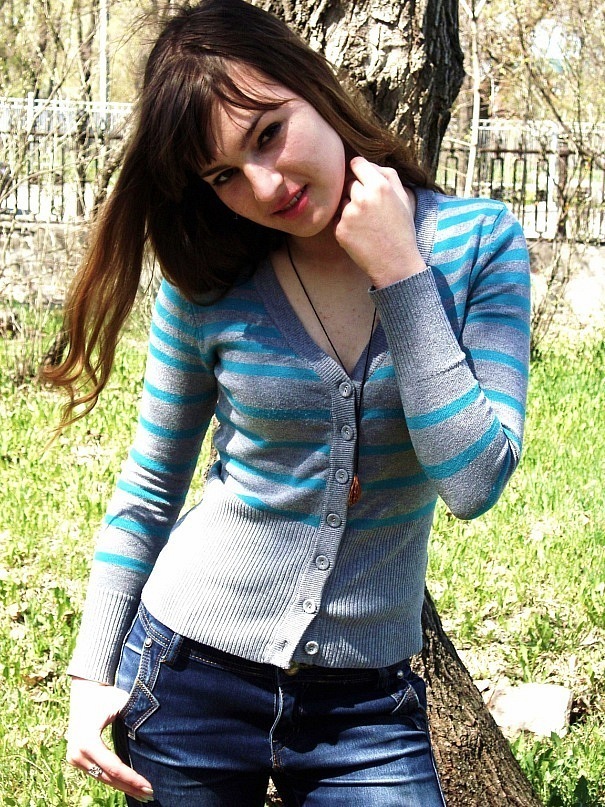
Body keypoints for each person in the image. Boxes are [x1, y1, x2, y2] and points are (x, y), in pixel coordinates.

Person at [45, 1, 531, 804]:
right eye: (223, 175)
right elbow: (152, 485)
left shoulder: (478, 244)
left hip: (367, 707)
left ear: (313, 87)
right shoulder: (212, 279)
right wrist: (89, 671)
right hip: (186, 678)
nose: (265, 185)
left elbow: (473, 480)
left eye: (268, 133)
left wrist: (400, 271)